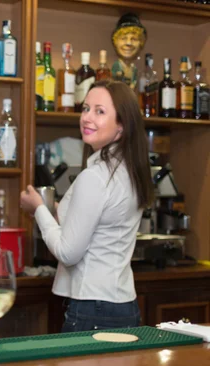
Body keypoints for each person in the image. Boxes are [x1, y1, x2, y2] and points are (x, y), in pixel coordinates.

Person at [20, 80, 153, 332]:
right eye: (85, 109)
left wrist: (38, 208)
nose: (87, 118)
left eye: (99, 111)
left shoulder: (94, 177)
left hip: (93, 306)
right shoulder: (130, 171)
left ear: (122, 126)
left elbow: (68, 252)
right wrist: (51, 206)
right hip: (124, 302)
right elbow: (93, 218)